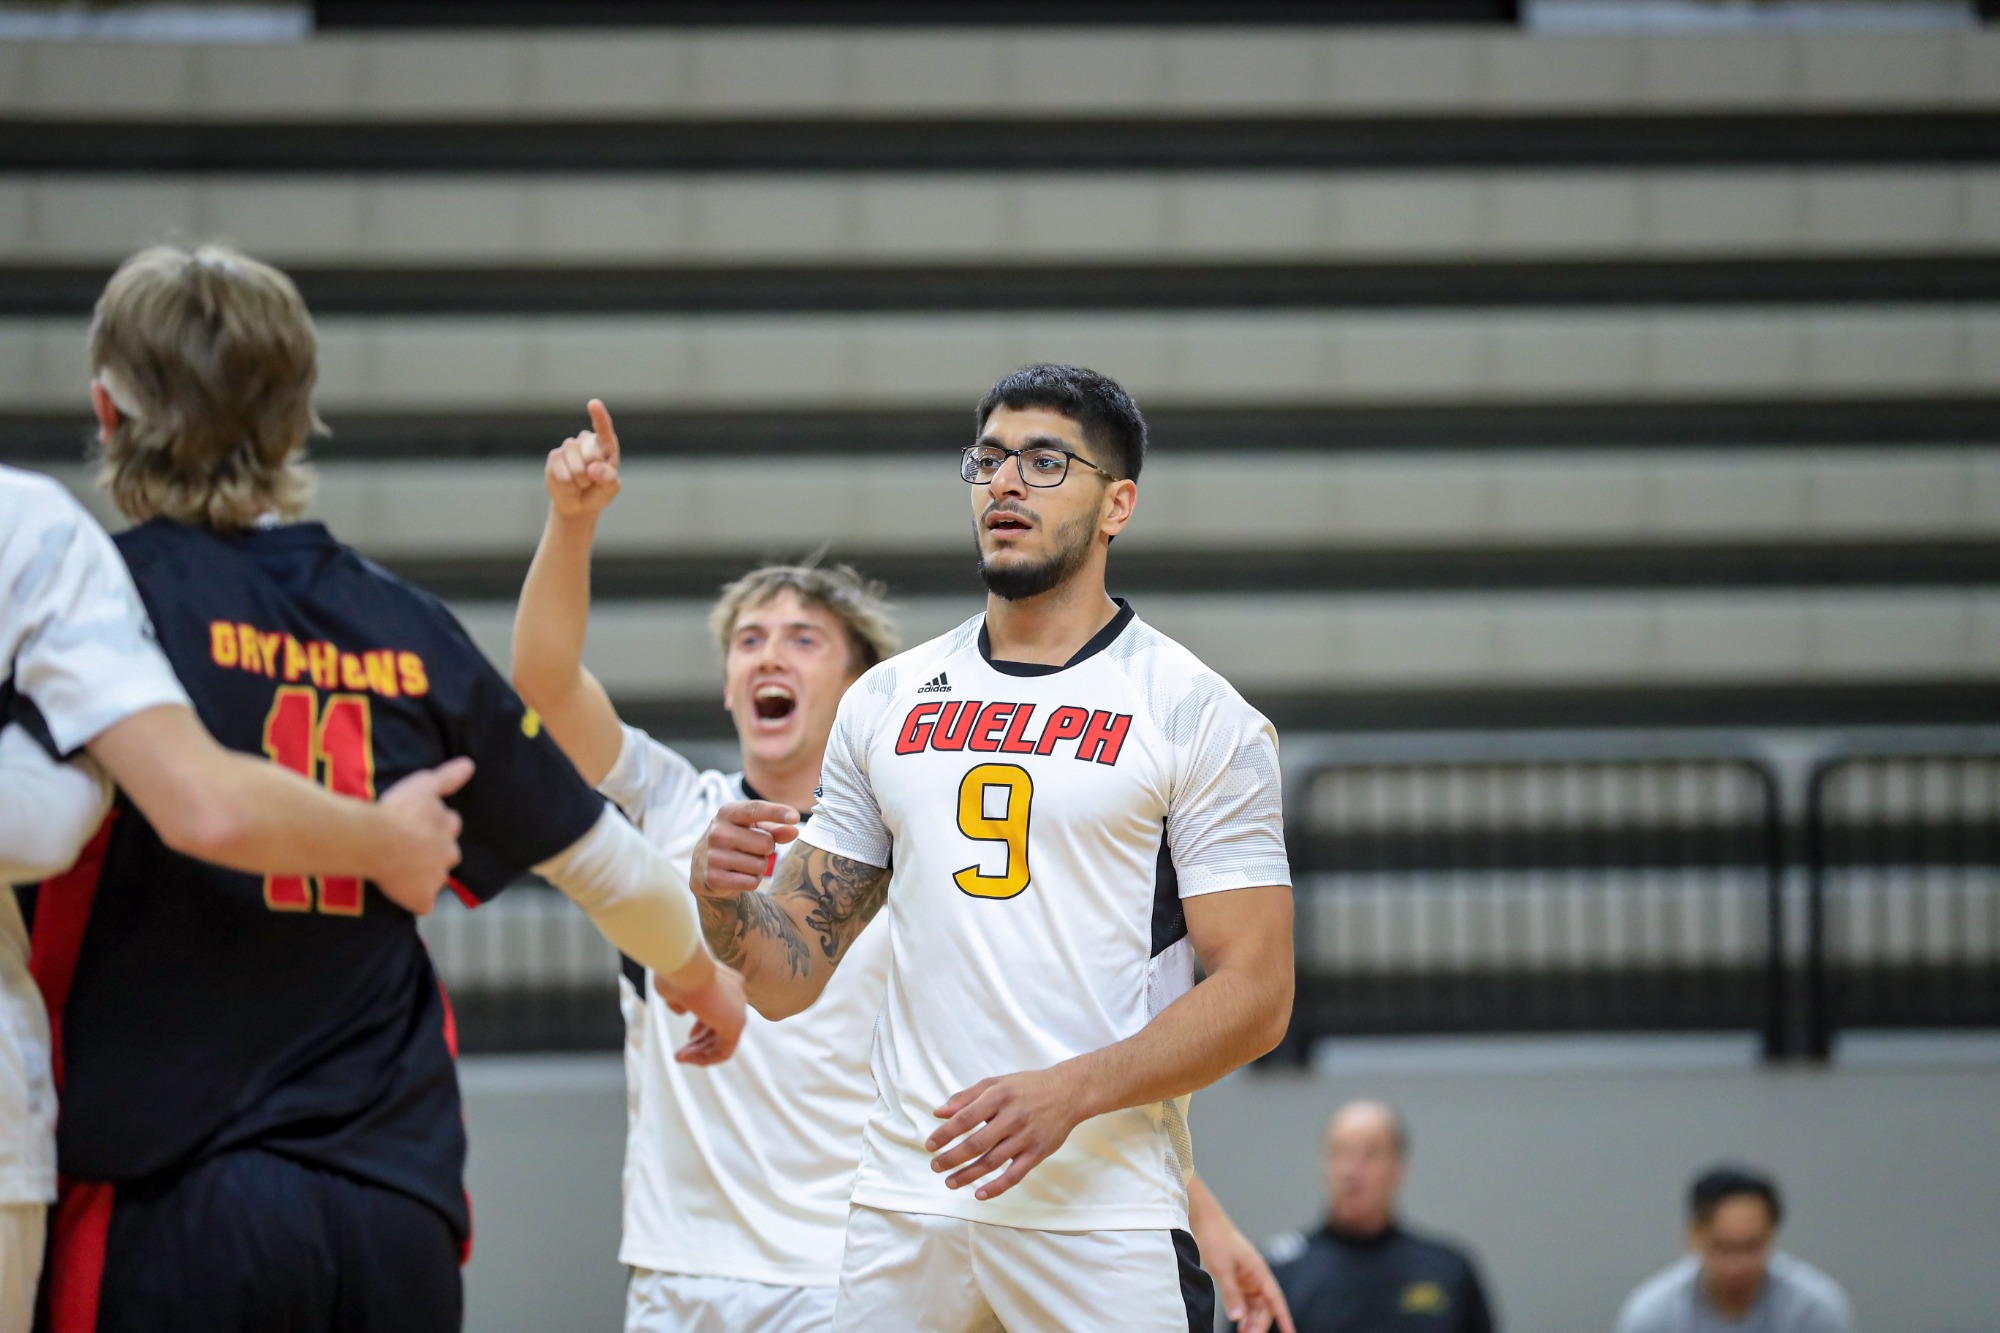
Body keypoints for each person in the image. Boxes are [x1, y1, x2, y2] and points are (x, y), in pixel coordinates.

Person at [30, 243, 745, 1333]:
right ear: (297, 413)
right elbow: (613, 867)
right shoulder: (404, 625)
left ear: (107, 408)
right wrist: (698, 975)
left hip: (166, 1193)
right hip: (388, 1202)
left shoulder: (97, 605)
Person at [510, 400, 1295, 1333]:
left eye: (1045, 461)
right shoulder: (838, 732)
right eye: (991, 459)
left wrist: (1128, 1143)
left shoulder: (1189, 712)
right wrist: (715, 901)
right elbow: (783, 972)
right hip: (861, 1223)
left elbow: (1215, 998)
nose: (1006, 481)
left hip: (1052, 1213)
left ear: (1117, 504)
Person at [0, 463, 473, 1333]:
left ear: (109, 412)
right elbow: (596, 845)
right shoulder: (403, 619)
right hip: (383, 1173)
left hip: (164, 1175)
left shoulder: (82, 558)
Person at [1262, 1101, 1495, 1333]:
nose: (1351, 1169)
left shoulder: (1447, 1270)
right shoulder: (1278, 1271)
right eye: (1339, 1152)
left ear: (1399, 1167)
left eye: (1371, 1154)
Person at [1614, 1166, 1854, 1333]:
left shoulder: (1813, 1311)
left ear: (1772, 1235)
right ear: (1693, 1238)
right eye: (1721, 1248)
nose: (1736, 1266)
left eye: (1751, 1247)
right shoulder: (1655, 1316)